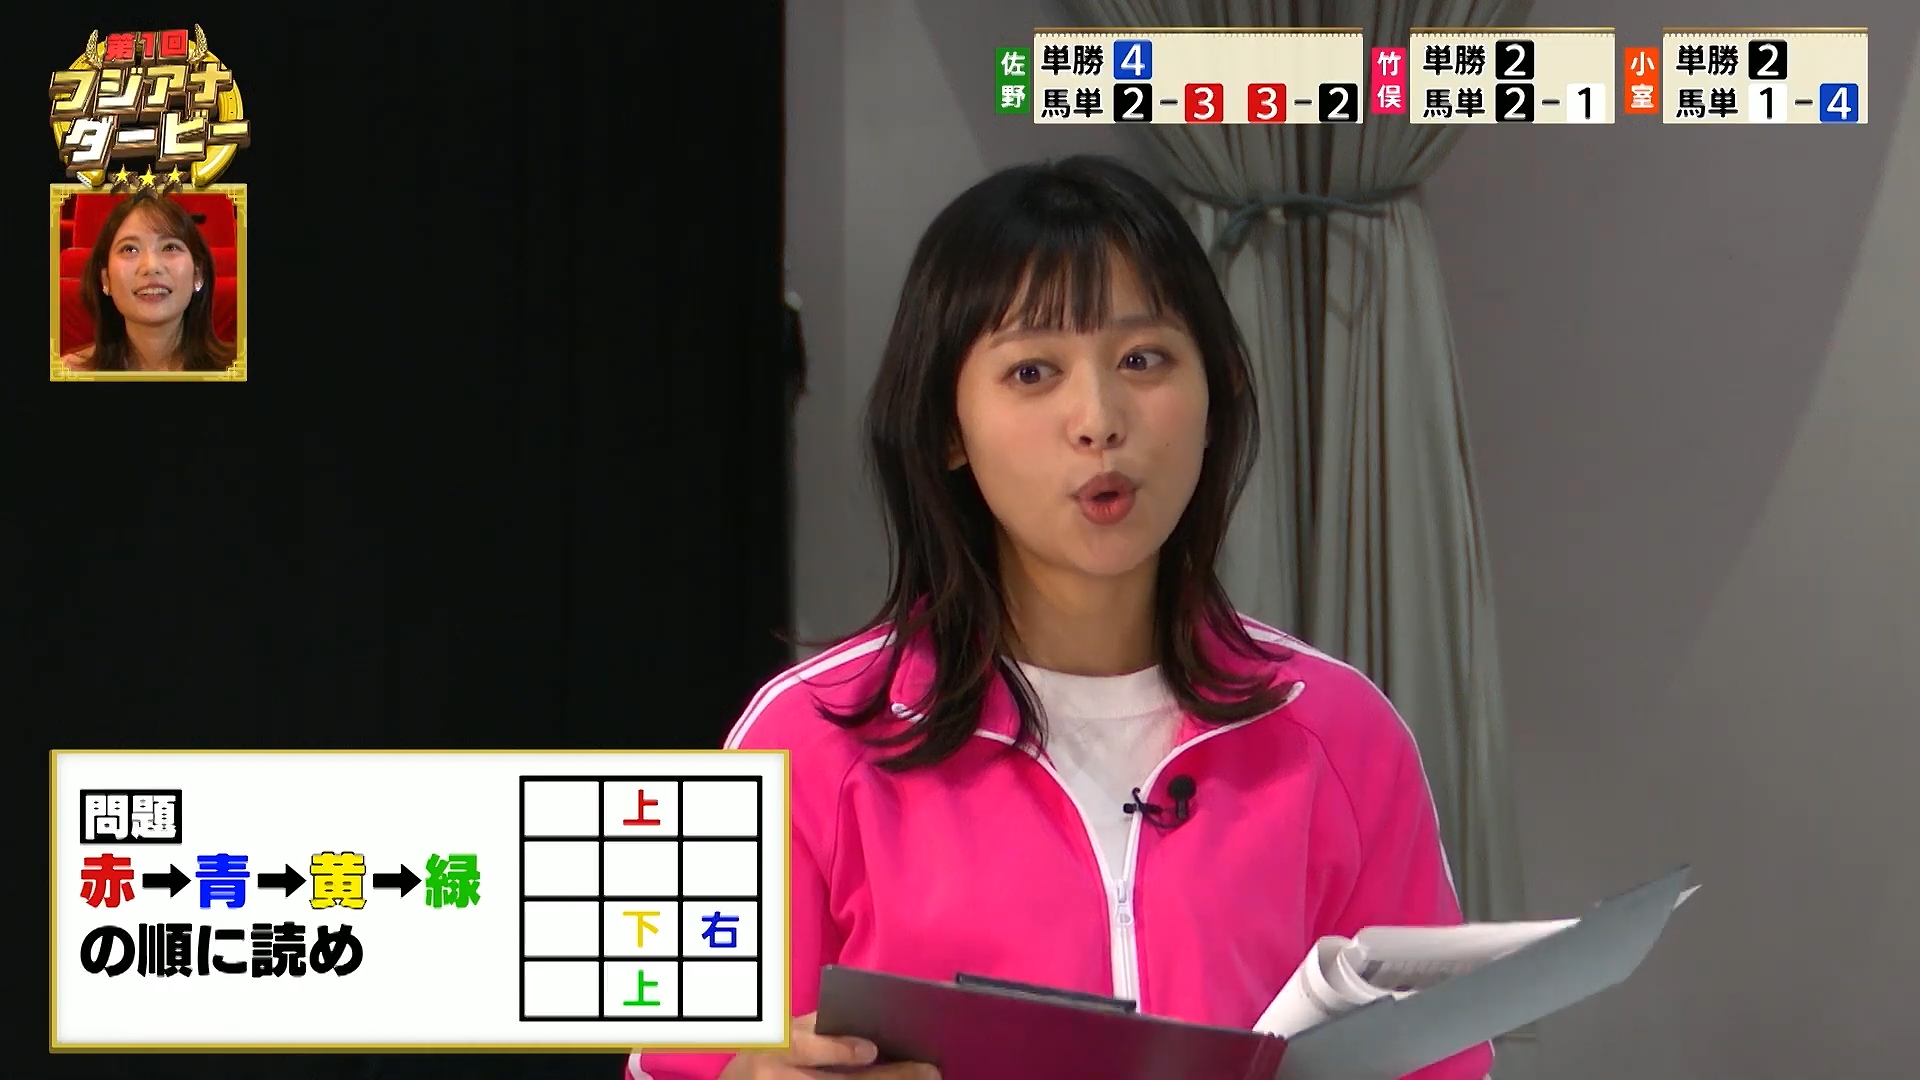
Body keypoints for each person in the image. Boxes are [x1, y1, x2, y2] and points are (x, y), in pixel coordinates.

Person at [633, 156, 1492, 1080]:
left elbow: (1439, 1067)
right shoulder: (809, 738)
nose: (1098, 418)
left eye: (1142, 359)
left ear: (1216, 393)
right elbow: (678, 1069)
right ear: (948, 428)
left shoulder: (1338, 734)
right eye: (1033, 370)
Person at [60, 189, 234, 372]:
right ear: (106, 279)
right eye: (129, 249)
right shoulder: (68, 373)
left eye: (170, 247)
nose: (151, 266)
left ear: (197, 274)